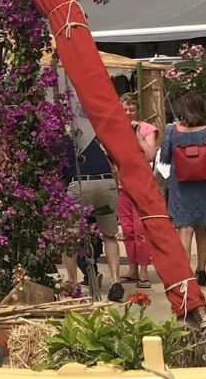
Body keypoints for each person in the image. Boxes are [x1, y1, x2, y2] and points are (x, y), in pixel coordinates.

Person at [159, 92, 206, 286]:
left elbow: (164, 156)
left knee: (185, 228)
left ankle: (185, 274)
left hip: (181, 185)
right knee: (202, 226)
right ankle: (202, 269)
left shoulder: (172, 130)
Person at [62, 121, 121, 291]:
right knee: (109, 236)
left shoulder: (66, 142)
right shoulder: (96, 140)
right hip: (106, 182)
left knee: (69, 238)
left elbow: (60, 176)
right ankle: (116, 281)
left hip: (80, 184)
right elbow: (114, 169)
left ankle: (72, 282)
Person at [117, 93, 159, 289]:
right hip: (122, 184)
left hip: (141, 185)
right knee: (127, 229)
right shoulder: (115, 129)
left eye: (131, 110)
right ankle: (132, 268)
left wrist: (137, 136)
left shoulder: (147, 129)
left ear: (137, 110)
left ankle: (144, 271)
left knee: (140, 229)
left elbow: (150, 155)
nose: (128, 113)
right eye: (124, 109)